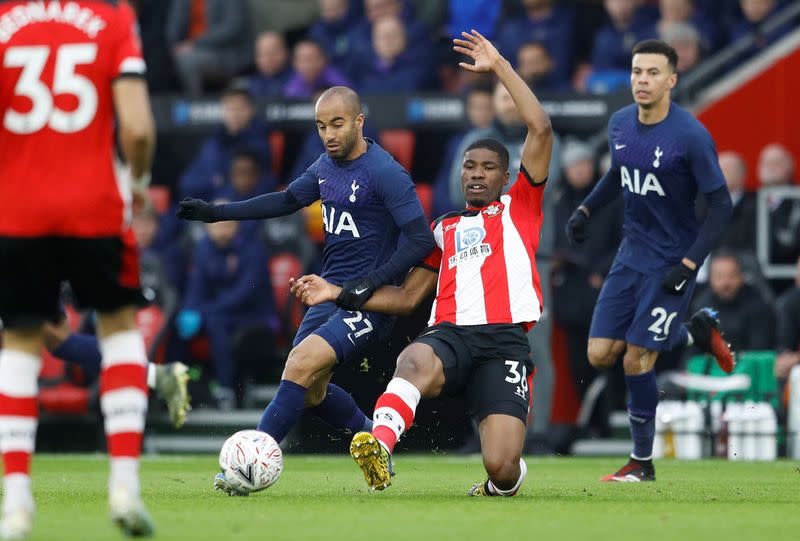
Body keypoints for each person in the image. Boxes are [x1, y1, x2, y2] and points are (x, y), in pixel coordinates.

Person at [292, 29, 553, 496]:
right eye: (469, 166)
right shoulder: (443, 229)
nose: (476, 174)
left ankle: (502, 480)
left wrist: (499, 67)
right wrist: (336, 292)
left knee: (502, 467)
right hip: (448, 335)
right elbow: (409, 296)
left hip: (504, 341)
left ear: (507, 176)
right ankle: (379, 447)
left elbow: (542, 129)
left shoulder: (522, 207)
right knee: (412, 357)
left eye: (487, 168)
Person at [176, 86, 434, 494]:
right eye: (321, 126)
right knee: (310, 390)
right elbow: (285, 201)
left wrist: (369, 283)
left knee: (299, 365)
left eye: (337, 123)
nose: (329, 134)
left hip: (367, 302)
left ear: (359, 122)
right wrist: (217, 213)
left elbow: (421, 240)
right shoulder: (324, 167)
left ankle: (246, 470)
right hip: (328, 292)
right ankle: (374, 439)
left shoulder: (386, 172)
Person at [0, 1, 156, 536]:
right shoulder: (113, 17)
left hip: (15, 210)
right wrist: (136, 187)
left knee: (19, 343)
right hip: (95, 205)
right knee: (118, 330)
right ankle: (124, 487)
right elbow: (136, 128)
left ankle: (16, 502)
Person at [565, 40, 735, 482]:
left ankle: (641, 462)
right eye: (637, 71)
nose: (642, 80)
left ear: (672, 80)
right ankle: (692, 334)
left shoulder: (691, 136)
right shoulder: (620, 123)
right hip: (630, 257)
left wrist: (691, 262)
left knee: (635, 361)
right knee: (600, 354)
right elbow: (619, 173)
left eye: (653, 73)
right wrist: (587, 209)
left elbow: (722, 206)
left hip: (670, 263)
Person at [178, 212, 277, 409]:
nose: (221, 230)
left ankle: (225, 390)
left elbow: (246, 293)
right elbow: (196, 290)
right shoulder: (203, 250)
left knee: (216, 321)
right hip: (218, 313)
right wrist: (191, 308)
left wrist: (206, 310)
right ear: (207, 228)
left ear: (236, 226)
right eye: (215, 225)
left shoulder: (253, 249)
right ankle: (183, 390)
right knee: (178, 323)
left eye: (226, 225)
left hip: (255, 316)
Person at [178, 86, 271, 201]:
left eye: (240, 109)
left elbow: (263, 185)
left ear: (251, 110)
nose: (235, 114)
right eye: (230, 109)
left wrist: (224, 201)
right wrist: (212, 182)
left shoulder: (259, 144)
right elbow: (187, 183)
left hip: (243, 209)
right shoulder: (212, 142)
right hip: (207, 206)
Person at [690, 251, 776, 351]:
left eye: (732, 276)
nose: (726, 283)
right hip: (711, 364)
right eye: (719, 277)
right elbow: (693, 352)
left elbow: (758, 351)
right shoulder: (701, 305)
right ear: (710, 279)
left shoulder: (758, 305)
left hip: (747, 363)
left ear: (742, 276)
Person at [166, 0, 252, 96]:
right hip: (188, 50)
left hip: (224, 52)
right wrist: (174, 46)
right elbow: (173, 28)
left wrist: (195, 43)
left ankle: (194, 102)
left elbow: (232, 28)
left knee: (187, 60)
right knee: (160, 60)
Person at [247, 31, 292, 98]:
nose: (269, 58)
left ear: (286, 52)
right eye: (264, 54)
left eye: (273, 52)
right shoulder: (253, 84)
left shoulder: (300, 78)